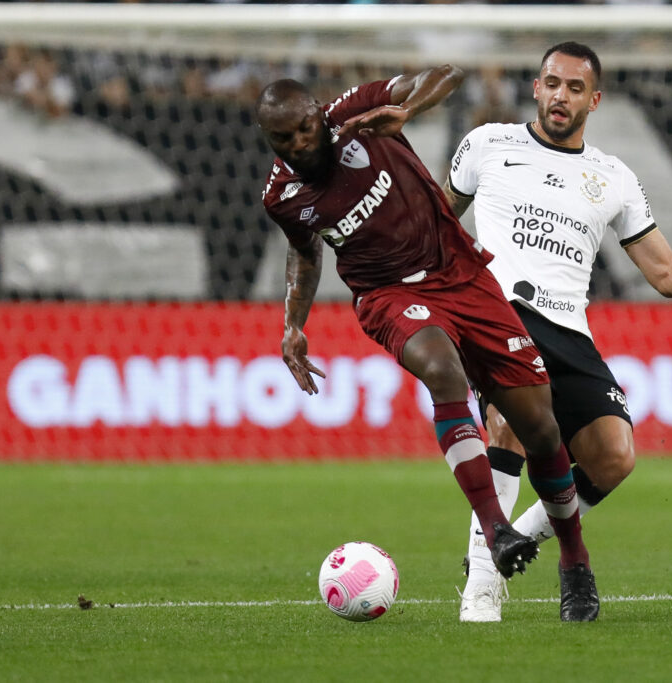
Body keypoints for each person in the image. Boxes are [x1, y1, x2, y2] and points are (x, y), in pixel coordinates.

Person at [443, 42, 672, 622]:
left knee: (614, 457)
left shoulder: (612, 177)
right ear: (535, 88)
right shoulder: (487, 145)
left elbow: (665, 272)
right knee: (507, 423)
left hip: (569, 330)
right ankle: (482, 587)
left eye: (575, 88)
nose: (561, 95)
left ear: (595, 100)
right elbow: (436, 223)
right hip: (500, 315)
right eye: (552, 83)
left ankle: (519, 537)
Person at [256, 65, 600, 621]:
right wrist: (293, 324)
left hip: (462, 275)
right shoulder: (282, 196)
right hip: (387, 295)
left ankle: (575, 563)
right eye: (282, 138)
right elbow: (304, 251)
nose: (298, 143)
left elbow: (447, 73)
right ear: (269, 141)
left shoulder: (355, 116)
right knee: (443, 371)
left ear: (318, 115)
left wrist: (409, 110)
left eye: (303, 128)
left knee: (540, 429)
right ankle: (496, 531)